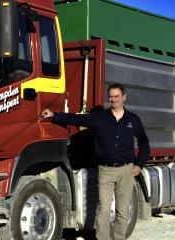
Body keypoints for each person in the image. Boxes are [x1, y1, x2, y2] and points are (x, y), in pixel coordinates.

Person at [41, 83, 150, 240]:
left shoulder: (133, 120)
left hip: (126, 171)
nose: (114, 100)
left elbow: (144, 143)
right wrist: (54, 115)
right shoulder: (100, 118)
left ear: (124, 97)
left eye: (117, 97)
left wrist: (139, 164)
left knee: (122, 211)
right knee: (104, 210)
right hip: (105, 171)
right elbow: (77, 118)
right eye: (111, 97)